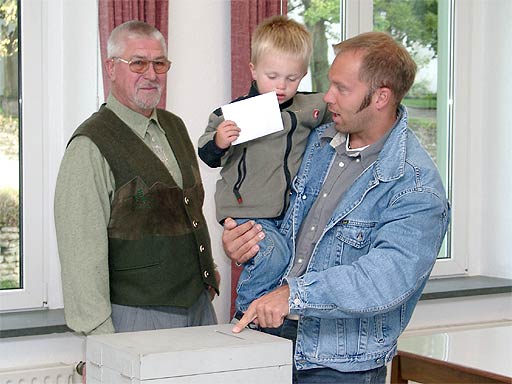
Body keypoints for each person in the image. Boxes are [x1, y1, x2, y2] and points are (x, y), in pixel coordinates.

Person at [223, 31, 450, 384]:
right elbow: (285, 226)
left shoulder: (416, 185)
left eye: (342, 89)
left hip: (337, 366)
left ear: (381, 97)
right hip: (268, 341)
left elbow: (385, 278)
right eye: (330, 84)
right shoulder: (318, 143)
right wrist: (251, 243)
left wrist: (293, 296)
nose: (327, 97)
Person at [54, 20, 219, 337]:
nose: (151, 74)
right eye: (138, 63)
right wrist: (101, 339)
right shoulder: (90, 145)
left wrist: (206, 274)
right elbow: (80, 255)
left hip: (197, 305)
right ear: (111, 68)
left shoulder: (175, 126)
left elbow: (188, 211)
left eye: (159, 63)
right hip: (134, 316)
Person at [197, 15, 330, 315]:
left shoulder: (310, 107)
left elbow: (340, 105)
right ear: (254, 70)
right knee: (273, 255)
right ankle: (247, 313)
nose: (281, 86)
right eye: (272, 76)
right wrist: (220, 140)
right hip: (246, 210)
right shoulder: (234, 114)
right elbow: (206, 154)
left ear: (303, 74)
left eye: (292, 78)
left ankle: (266, 316)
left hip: (287, 214)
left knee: (286, 262)